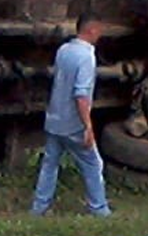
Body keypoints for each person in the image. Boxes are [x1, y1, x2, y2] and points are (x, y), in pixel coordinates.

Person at [31, 12, 112, 217]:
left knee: (49, 164)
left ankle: (39, 207)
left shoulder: (64, 50)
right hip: (73, 124)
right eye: (100, 30)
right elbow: (81, 95)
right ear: (91, 29)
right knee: (93, 164)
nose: (100, 35)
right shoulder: (87, 56)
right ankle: (99, 209)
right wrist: (88, 126)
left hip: (54, 119)